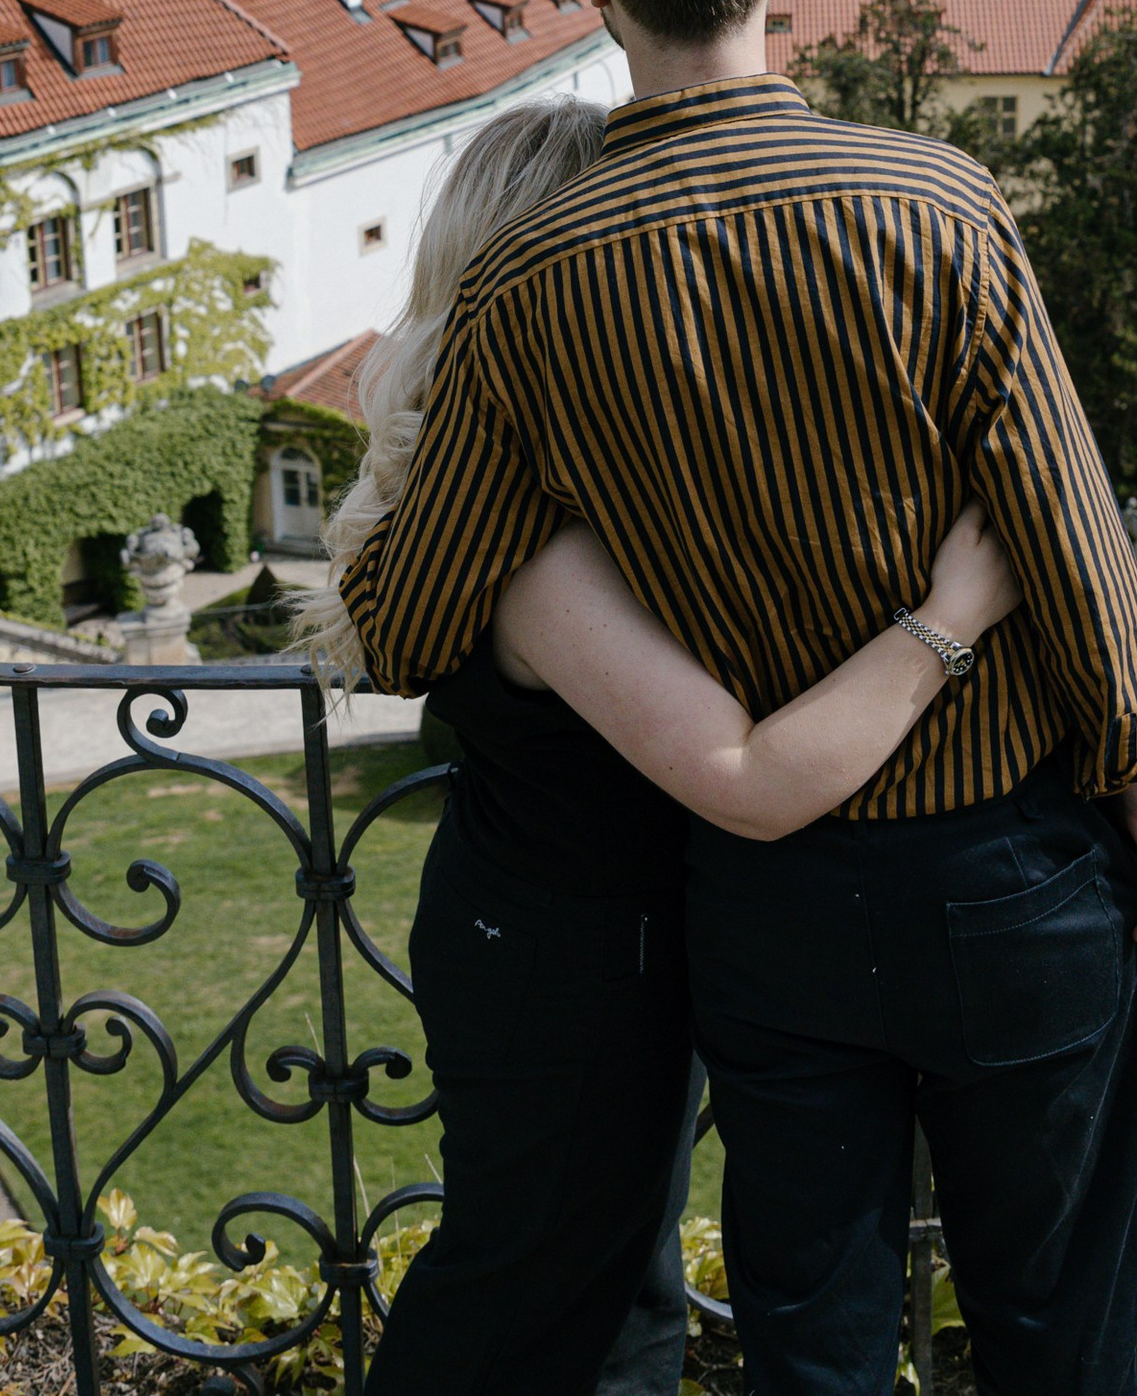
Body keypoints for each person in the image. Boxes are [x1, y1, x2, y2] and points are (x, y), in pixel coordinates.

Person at [342, 0, 1137, 1395]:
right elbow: (1072, 540)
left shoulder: (531, 284)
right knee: (1056, 1327)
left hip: (775, 906)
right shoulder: (936, 206)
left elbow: (400, 624)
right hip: (1011, 869)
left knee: (815, 1346)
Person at [304, 100, 1023, 1396]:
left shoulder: (540, 499)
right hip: (560, 968)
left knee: (615, 1307)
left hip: (579, 942)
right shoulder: (536, 551)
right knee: (525, 1304)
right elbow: (743, 780)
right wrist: (953, 616)